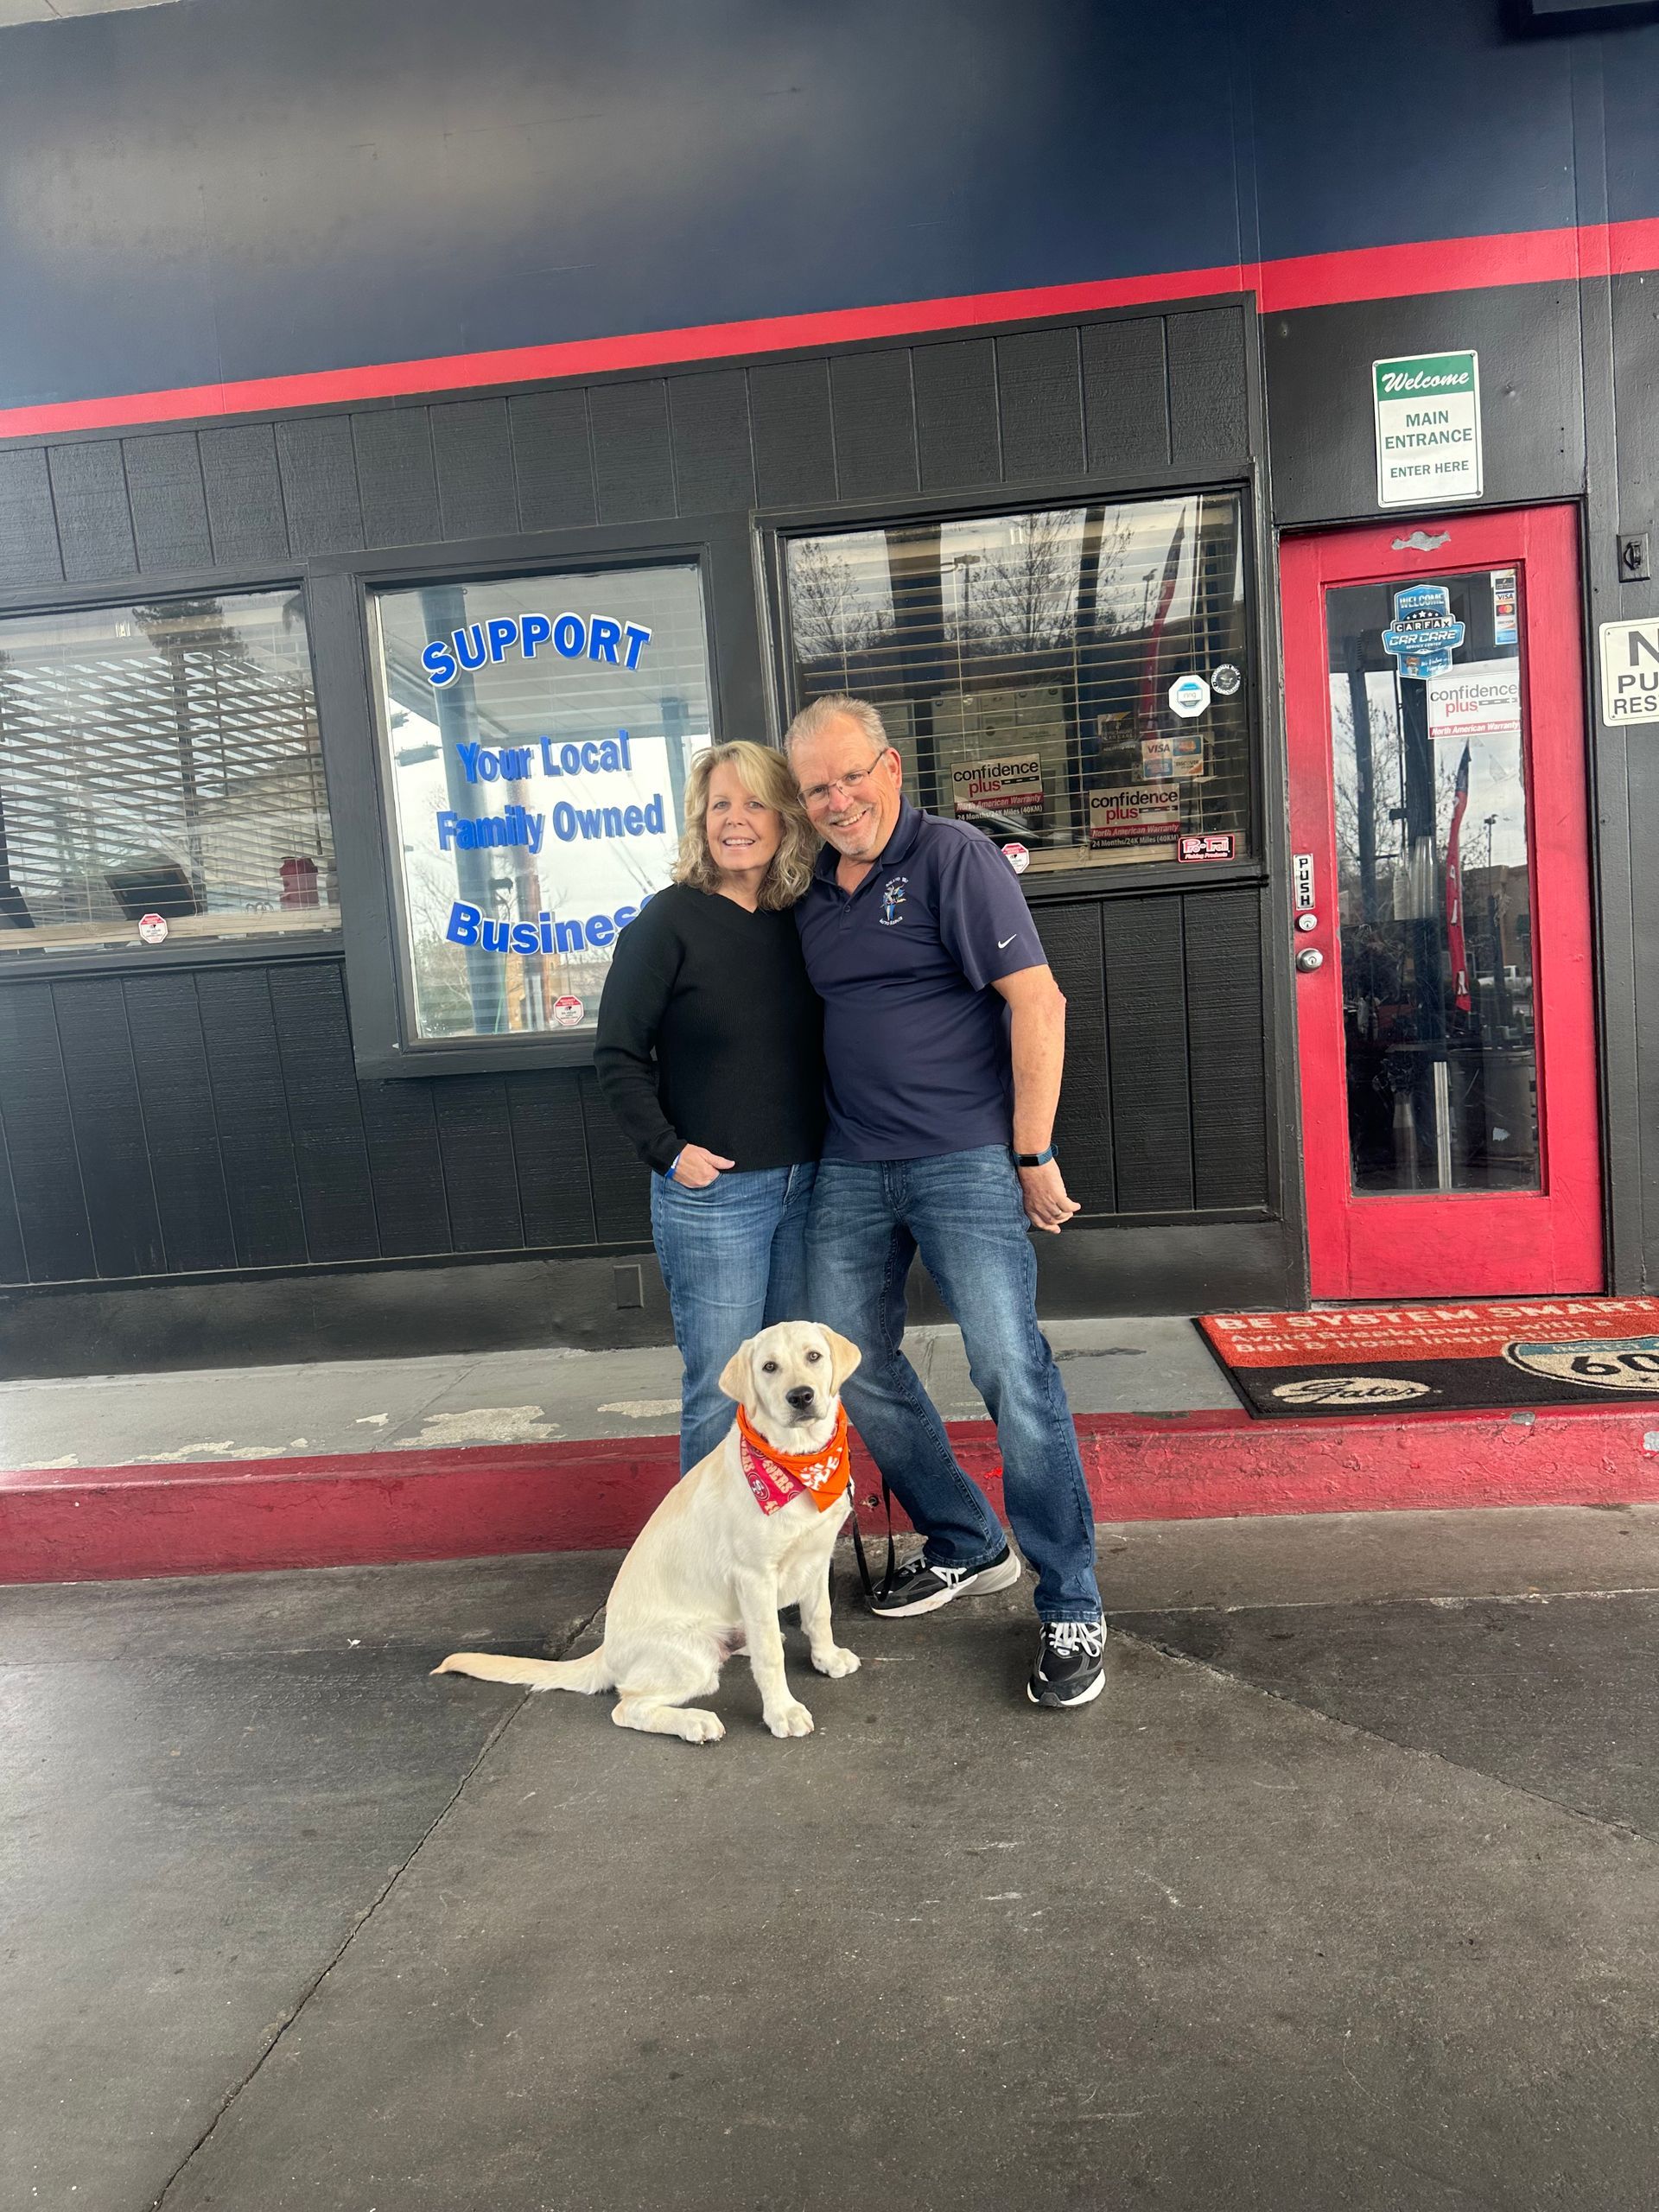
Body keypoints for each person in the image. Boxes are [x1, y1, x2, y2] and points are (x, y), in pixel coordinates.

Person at [785, 694, 1106, 1712]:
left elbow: (1038, 1003)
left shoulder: (955, 859)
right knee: (852, 1365)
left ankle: (1072, 1601)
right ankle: (967, 1537)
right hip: (849, 1164)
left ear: (889, 767)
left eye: (850, 776)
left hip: (965, 1159)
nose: (838, 801)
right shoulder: (809, 891)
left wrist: (1032, 1149)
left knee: (1011, 1367)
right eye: (815, 789)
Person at [595, 741, 824, 1475]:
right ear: (699, 820)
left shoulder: (801, 919)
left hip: (809, 1186)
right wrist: (667, 1150)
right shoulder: (665, 925)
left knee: (796, 1390)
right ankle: (712, 1567)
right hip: (715, 1197)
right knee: (719, 1393)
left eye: (754, 802)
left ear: (785, 818)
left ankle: (781, 1545)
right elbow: (617, 1057)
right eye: (719, 804)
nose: (736, 820)